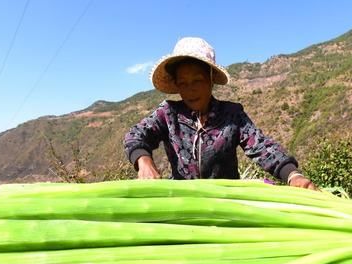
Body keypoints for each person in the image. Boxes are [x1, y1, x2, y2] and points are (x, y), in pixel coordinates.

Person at [123, 37, 317, 190]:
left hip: (226, 204)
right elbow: (136, 135)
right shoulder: (168, 114)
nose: (191, 89)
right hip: (182, 205)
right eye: (183, 83)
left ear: (210, 79)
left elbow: (263, 147)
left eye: (197, 80)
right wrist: (144, 161)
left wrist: (293, 175)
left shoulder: (232, 115)